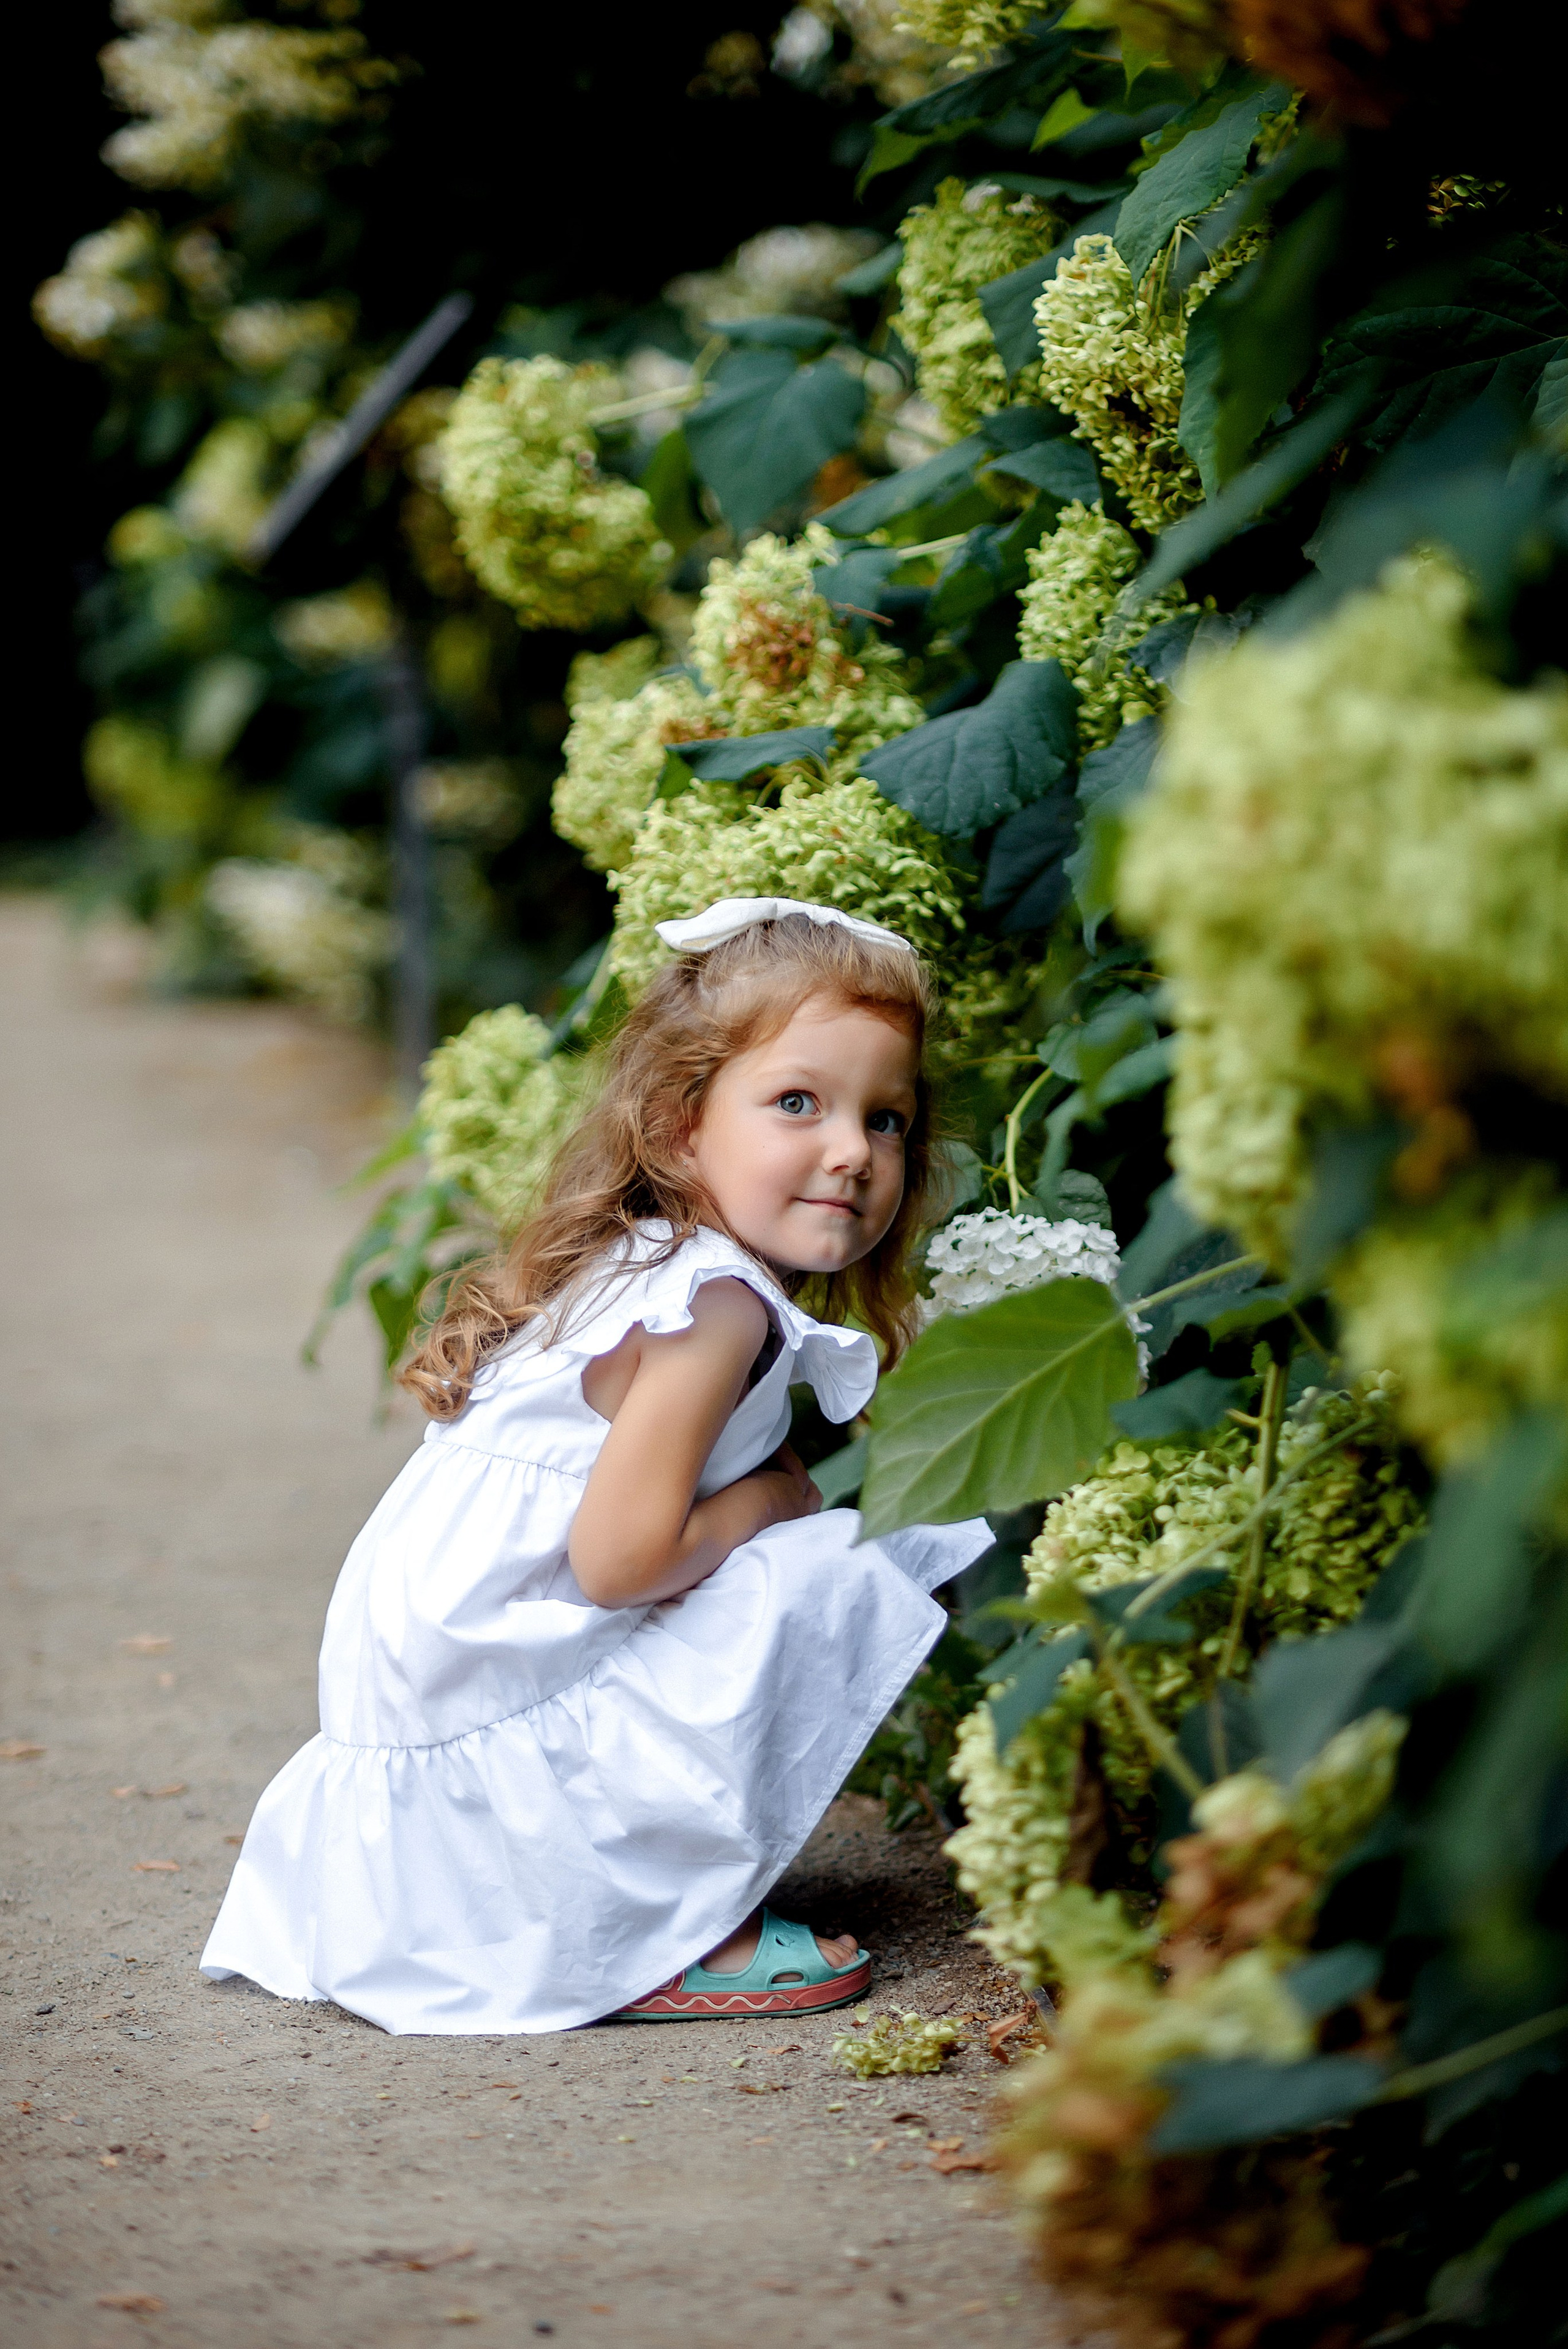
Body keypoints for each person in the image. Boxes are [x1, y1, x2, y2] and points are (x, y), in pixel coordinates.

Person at [201, 899, 990, 2034]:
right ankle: (657, 1928)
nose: (852, 1152)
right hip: (480, 1710)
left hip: (438, 1705)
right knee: (829, 1567)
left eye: (889, 1120)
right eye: (797, 1104)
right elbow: (621, 1562)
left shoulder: (650, 1258)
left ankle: (610, 1890)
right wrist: (767, 1501)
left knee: (783, 1556)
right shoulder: (711, 1306)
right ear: (680, 1128)